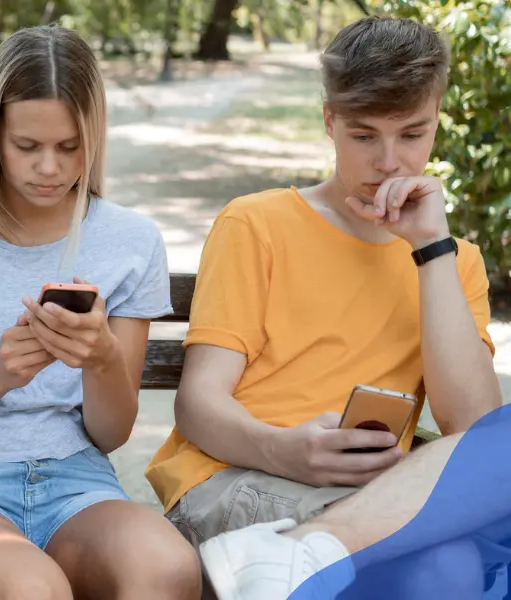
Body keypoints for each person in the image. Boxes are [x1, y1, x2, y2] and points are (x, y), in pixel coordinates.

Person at [142, 16, 504, 599]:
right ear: (330, 122)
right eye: (364, 136)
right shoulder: (258, 223)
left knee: (453, 565)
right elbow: (197, 405)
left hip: (369, 495)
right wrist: (286, 450)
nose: (389, 162)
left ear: (437, 121)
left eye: (412, 134)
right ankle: (290, 556)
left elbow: (476, 432)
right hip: (235, 478)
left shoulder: (452, 260)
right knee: (445, 562)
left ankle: (295, 556)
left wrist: (431, 250)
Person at [0, 25, 202, 600]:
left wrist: (103, 357)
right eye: (26, 147)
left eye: (69, 147)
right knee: (29, 590)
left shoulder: (129, 241)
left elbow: (110, 434)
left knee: (168, 569)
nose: (50, 169)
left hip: (80, 482)